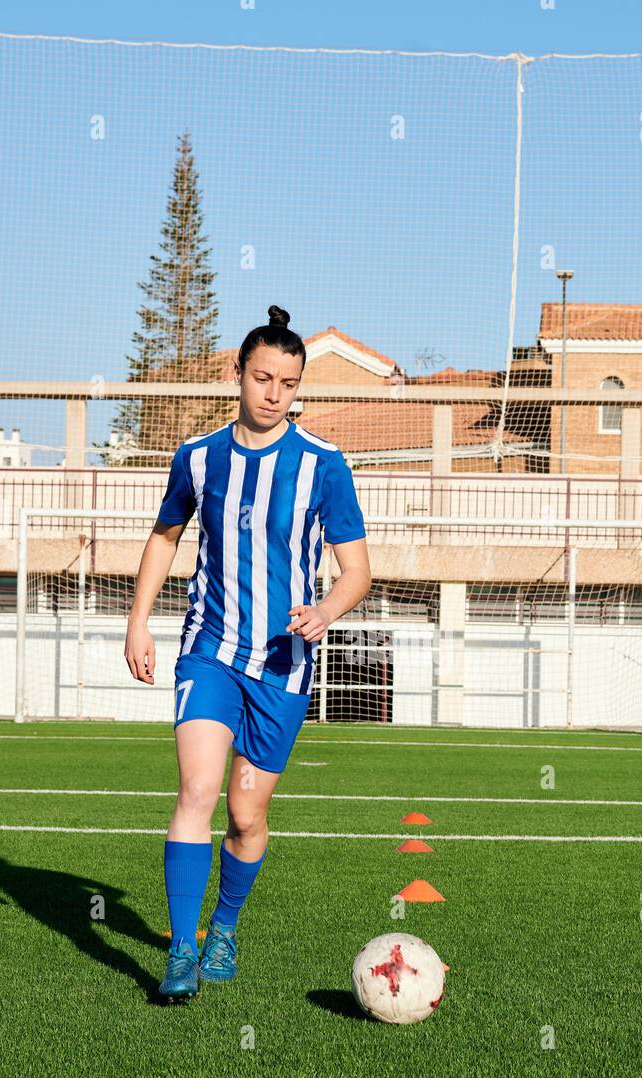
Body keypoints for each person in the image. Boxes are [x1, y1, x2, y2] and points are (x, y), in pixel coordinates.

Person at [124, 306, 372, 1002]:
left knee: (244, 814)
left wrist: (325, 610)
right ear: (238, 374)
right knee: (197, 792)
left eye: (287, 384)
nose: (273, 393)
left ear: (297, 389)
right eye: (262, 377)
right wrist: (138, 622)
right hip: (208, 650)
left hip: (284, 665)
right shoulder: (198, 457)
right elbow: (166, 537)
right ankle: (180, 951)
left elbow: (357, 570)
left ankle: (225, 924)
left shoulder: (323, 464)